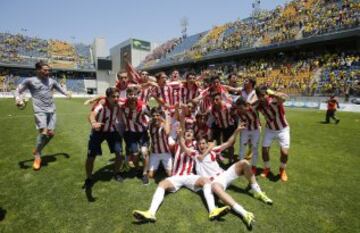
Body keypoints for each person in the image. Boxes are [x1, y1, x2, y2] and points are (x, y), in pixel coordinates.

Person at [180, 123, 272, 229]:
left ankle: (257, 192)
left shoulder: (213, 151)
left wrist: (237, 131)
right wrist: (179, 136)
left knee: (244, 162)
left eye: (203, 143)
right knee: (214, 186)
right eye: (200, 144)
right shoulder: (195, 154)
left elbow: (228, 143)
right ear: (197, 145)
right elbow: (184, 147)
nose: (201, 146)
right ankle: (244, 213)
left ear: (206, 144)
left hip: (224, 175)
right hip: (214, 182)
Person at [132, 125, 230, 222]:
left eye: (191, 132)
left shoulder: (196, 147)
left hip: (189, 176)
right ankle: (151, 213)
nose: (189, 133)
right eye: (187, 131)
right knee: (162, 184)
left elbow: (209, 143)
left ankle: (213, 210)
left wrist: (211, 145)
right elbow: (182, 143)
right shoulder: (179, 143)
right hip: (177, 176)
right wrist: (179, 136)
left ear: (194, 138)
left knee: (206, 180)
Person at [15, 60, 71, 170]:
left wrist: (66, 93)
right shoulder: (30, 81)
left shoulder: (51, 81)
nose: (47, 72)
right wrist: (18, 99)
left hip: (52, 110)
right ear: (38, 70)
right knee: (44, 133)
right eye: (45, 70)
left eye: (49, 70)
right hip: (39, 110)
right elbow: (18, 90)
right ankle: (37, 156)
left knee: (51, 134)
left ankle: (37, 149)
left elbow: (61, 89)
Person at [84, 87, 124, 188]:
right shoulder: (101, 104)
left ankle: (117, 173)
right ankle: (89, 177)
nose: (116, 98)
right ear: (107, 97)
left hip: (111, 131)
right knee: (90, 156)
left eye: (117, 96)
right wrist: (93, 122)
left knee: (119, 153)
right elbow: (92, 114)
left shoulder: (118, 105)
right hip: (97, 132)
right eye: (113, 97)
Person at [255, 86, 290, 182]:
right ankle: (267, 168)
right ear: (258, 97)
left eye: (265, 95)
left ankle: (282, 170)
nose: (264, 97)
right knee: (264, 150)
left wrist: (273, 93)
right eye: (261, 96)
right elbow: (249, 105)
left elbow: (285, 98)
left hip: (283, 129)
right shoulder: (259, 105)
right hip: (269, 130)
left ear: (267, 94)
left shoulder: (275, 101)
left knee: (284, 152)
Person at [119, 87, 151, 185]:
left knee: (144, 152)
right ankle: (137, 169)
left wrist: (149, 126)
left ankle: (144, 173)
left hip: (142, 132)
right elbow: (107, 98)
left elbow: (150, 115)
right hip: (129, 133)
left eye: (134, 94)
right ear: (127, 95)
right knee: (135, 154)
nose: (132, 97)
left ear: (137, 95)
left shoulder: (143, 106)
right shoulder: (122, 105)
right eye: (130, 94)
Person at [233, 97, 261, 174]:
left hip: (255, 130)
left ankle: (254, 167)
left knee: (255, 148)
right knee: (242, 148)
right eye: (238, 107)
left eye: (240, 107)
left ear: (245, 105)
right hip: (245, 130)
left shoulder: (253, 109)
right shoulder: (238, 111)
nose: (239, 109)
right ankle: (241, 166)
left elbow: (259, 101)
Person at [148, 107, 172, 178]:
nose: (155, 117)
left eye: (157, 115)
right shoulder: (150, 124)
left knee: (170, 175)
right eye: (154, 115)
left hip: (166, 152)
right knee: (150, 175)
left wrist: (164, 119)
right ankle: (159, 166)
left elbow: (167, 131)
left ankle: (161, 166)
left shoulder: (164, 124)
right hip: (155, 153)